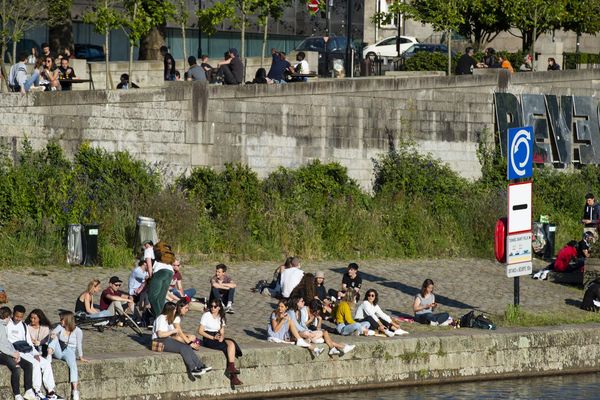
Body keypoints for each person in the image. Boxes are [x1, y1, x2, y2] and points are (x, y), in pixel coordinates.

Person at [7, 305, 60, 400]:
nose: (18, 318)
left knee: (46, 363)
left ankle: (50, 390)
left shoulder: (23, 325)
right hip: (16, 351)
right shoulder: (8, 324)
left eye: (21, 317)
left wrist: (35, 353)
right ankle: (37, 390)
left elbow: (29, 342)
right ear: (13, 313)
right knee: (34, 363)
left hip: (26, 349)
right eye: (16, 316)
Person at [152, 302, 211, 377]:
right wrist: (173, 331)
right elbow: (160, 334)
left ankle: (200, 366)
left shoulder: (168, 319)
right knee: (182, 348)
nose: (175, 311)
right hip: (157, 342)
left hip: (166, 340)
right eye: (175, 310)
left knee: (186, 346)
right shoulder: (161, 318)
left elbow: (173, 333)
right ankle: (192, 369)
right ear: (170, 310)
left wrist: (186, 337)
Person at [197, 299, 243, 386]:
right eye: (211, 306)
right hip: (208, 337)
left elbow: (222, 331)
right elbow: (200, 331)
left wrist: (221, 336)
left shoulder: (221, 316)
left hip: (217, 336)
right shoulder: (206, 315)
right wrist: (212, 337)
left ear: (219, 308)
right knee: (227, 348)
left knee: (231, 343)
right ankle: (233, 376)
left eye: (215, 307)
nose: (212, 308)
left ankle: (231, 368)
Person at [48, 311, 87, 400]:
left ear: (68, 320)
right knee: (55, 338)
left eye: (62, 319)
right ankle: (49, 355)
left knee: (73, 365)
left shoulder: (78, 331)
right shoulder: (60, 327)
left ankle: (75, 390)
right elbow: (53, 333)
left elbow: (79, 344)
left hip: (69, 351)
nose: (60, 321)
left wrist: (81, 356)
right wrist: (53, 334)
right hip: (58, 350)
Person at [0, 306, 36, 400]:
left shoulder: (3, 326)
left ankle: (28, 390)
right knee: (16, 368)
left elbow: (7, 343)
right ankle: (17, 394)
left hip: (7, 352)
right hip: (1, 354)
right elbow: (1, 346)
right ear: (7, 317)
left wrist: (15, 352)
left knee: (28, 365)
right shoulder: (0, 326)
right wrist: (12, 354)